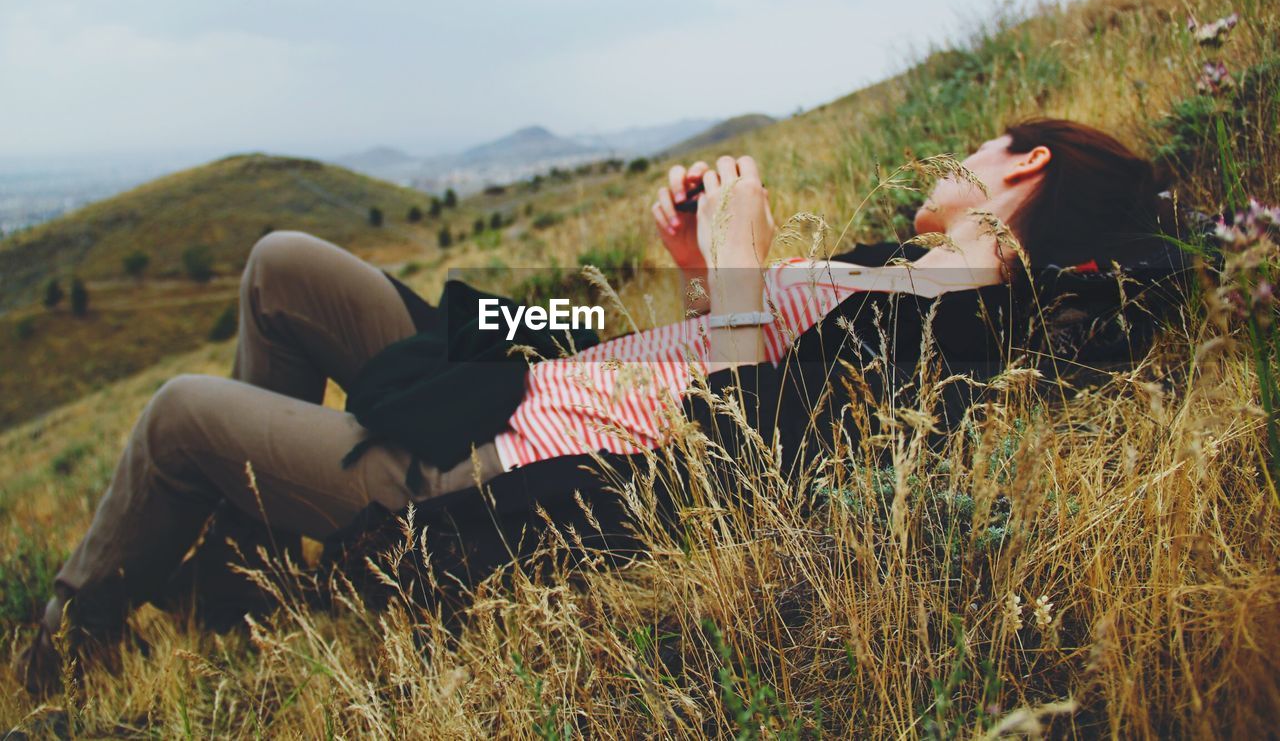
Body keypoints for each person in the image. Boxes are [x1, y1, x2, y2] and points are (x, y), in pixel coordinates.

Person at [16, 118, 1168, 695]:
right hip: (537, 375)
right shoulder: (895, 271)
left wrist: (733, 273)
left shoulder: (954, 336)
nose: (955, 155)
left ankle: (63, 651)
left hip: (513, 472)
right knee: (282, 260)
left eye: (978, 148)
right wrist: (691, 263)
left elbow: (740, 469)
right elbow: (713, 361)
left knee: (175, 412)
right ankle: (238, 564)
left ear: (1018, 168)